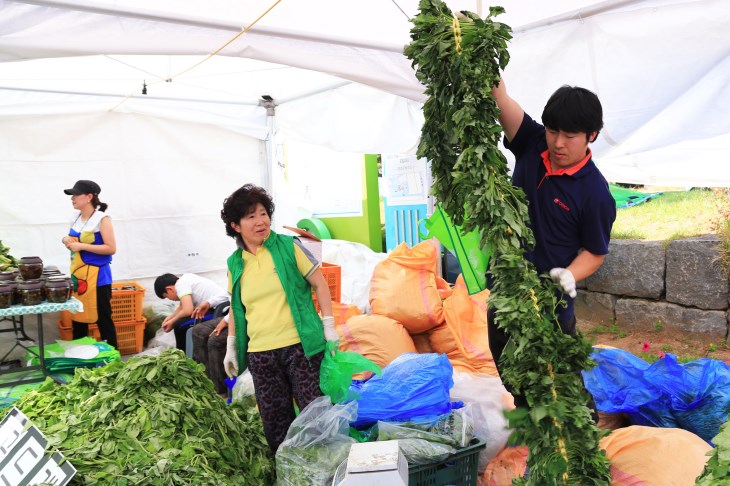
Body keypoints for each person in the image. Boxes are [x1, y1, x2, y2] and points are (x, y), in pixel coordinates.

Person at [488, 81, 617, 412]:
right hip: (508, 292)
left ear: (592, 135)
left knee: (562, 385)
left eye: (569, 135)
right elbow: (501, 98)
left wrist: (570, 275)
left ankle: (580, 452)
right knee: (515, 373)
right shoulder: (532, 142)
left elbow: (595, 251)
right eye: (553, 130)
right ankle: (536, 443)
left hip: (549, 303)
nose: (558, 143)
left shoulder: (595, 193)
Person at [220, 183, 337, 455]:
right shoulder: (234, 262)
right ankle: (289, 473)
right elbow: (237, 308)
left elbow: (320, 285)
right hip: (261, 354)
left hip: (301, 348)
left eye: (263, 213)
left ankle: (324, 472)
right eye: (251, 216)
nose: (261, 221)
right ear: (236, 226)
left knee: (315, 417)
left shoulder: (288, 247)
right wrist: (231, 347)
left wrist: (329, 326)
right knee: (275, 423)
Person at [61, 180, 118, 349]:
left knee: (103, 318)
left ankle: (112, 356)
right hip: (79, 276)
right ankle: (80, 356)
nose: (72, 198)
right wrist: (65, 239)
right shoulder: (76, 217)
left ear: (89, 197)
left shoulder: (102, 219)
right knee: (78, 316)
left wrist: (82, 246)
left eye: (76, 194)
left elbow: (111, 248)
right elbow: (68, 238)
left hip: (98, 277)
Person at [153, 272, 229, 352]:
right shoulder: (186, 278)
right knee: (180, 321)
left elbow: (187, 310)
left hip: (219, 311)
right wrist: (171, 317)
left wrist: (172, 322)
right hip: (217, 307)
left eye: (166, 296)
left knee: (179, 324)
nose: (170, 299)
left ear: (169, 289)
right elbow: (182, 307)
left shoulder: (180, 285)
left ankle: (183, 355)